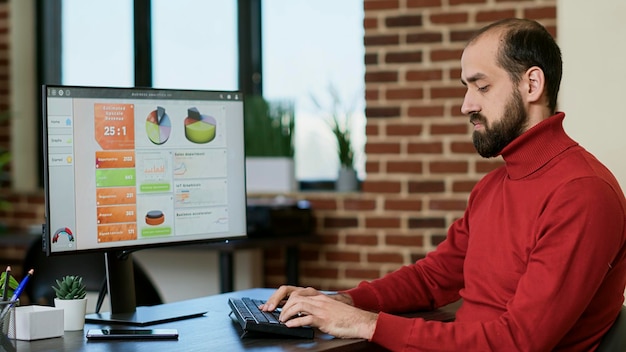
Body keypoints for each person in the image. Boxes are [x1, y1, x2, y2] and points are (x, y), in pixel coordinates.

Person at [260, 18, 626, 351]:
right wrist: (346, 301)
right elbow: (432, 278)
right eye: (466, 88)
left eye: (481, 86)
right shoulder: (493, 186)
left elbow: (518, 342)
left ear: (532, 84)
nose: (466, 105)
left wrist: (366, 324)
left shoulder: (582, 193)